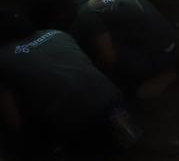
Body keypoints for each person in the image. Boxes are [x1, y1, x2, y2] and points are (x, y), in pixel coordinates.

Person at [0, 9, 139, 154]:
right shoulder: (56, 33)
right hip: (113, 100)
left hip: (75, 123)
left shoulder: (3, 59)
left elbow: (14, 120)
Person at [66, 0, 177, 100]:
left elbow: (109, 59)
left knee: (103, 51)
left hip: (162, 53)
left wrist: (101, 77)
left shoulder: (85, 16)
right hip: (168, 36)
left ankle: (163, 73)